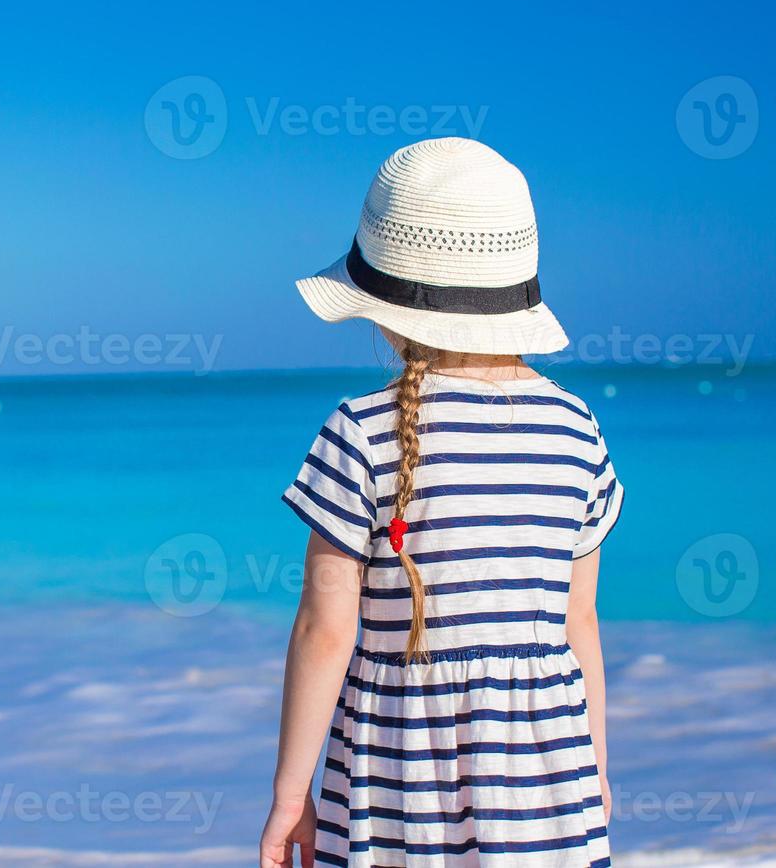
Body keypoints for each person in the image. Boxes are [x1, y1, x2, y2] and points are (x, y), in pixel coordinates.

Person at [259, 138, 623, 868]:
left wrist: (290, 798)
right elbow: (578, 623)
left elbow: (324, 632)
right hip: (549, 780)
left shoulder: (358, 431)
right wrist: (599, 771)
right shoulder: (578, 429)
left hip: (398, 786)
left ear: (383, 307)